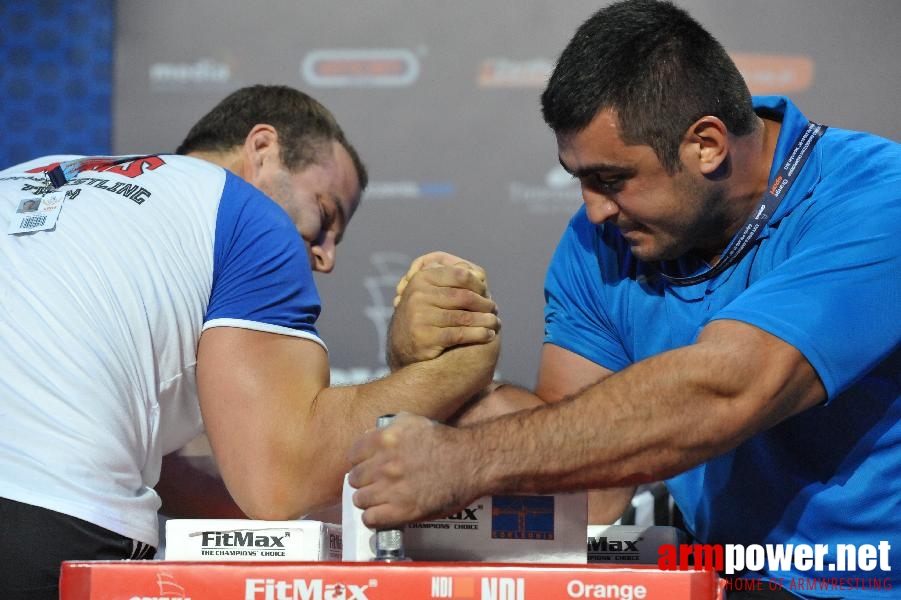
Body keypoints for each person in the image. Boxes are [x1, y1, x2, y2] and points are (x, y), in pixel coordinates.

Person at [348, 1, 901, 597]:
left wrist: (465, 461)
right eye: (580, 179)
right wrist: (426, 358)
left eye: (611, 179)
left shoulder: (875, 198)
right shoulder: (600, 242)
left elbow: (728, 389)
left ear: (707, 145)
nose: (593, 209)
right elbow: (586, 475)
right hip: (726, 582)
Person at [0, 85, 500, 598]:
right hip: (43, 529)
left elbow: (175, 473)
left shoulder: (27, 176)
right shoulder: (250, 218)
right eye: (325, 215)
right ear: (263, 150)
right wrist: (463, 363)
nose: (326, 256)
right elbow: (279, 482)